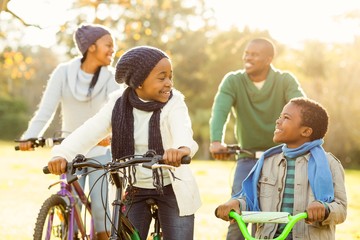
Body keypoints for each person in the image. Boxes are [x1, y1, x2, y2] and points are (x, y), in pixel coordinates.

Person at [46, 46, 202, 240]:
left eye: (171, 76)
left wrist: (181, 149)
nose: (169, 83)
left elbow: (182, 130)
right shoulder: (118, 104)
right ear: (138, 82)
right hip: (134, 185)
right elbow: (90, 130)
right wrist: (62, 154)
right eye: (162, 78)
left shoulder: (174, 103)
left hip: (171, 184)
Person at [18, 23, 121, 240]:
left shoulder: (112, 77)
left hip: (100, 151)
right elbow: (45, 111)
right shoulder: (63, 72)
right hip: (69, 150)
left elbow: (116, 113)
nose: (114, 49)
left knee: (102, 210)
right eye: (108, 44)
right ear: (91, 47)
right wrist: (29, 136)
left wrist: (109, 136)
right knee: (69, 206)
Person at [209, 38, 306, 239]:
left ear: (269, 59)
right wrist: (216, 141)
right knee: (237, 212)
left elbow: (302, 108)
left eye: (254, 54)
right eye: (246, 53)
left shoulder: (284, 80)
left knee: (283, 214)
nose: (248, 57)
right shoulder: (233, 81)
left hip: (283, 158)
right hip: (247, 158)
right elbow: (220, 110)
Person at [215, 97, 347, 239]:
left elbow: (341, 209)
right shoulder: (267, 162)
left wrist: (325, 208)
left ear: (306, 131)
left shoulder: (329, 164)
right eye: (280, 116)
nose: (278, 121)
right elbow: (251, 200)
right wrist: (236, 203)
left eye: (286, 118)